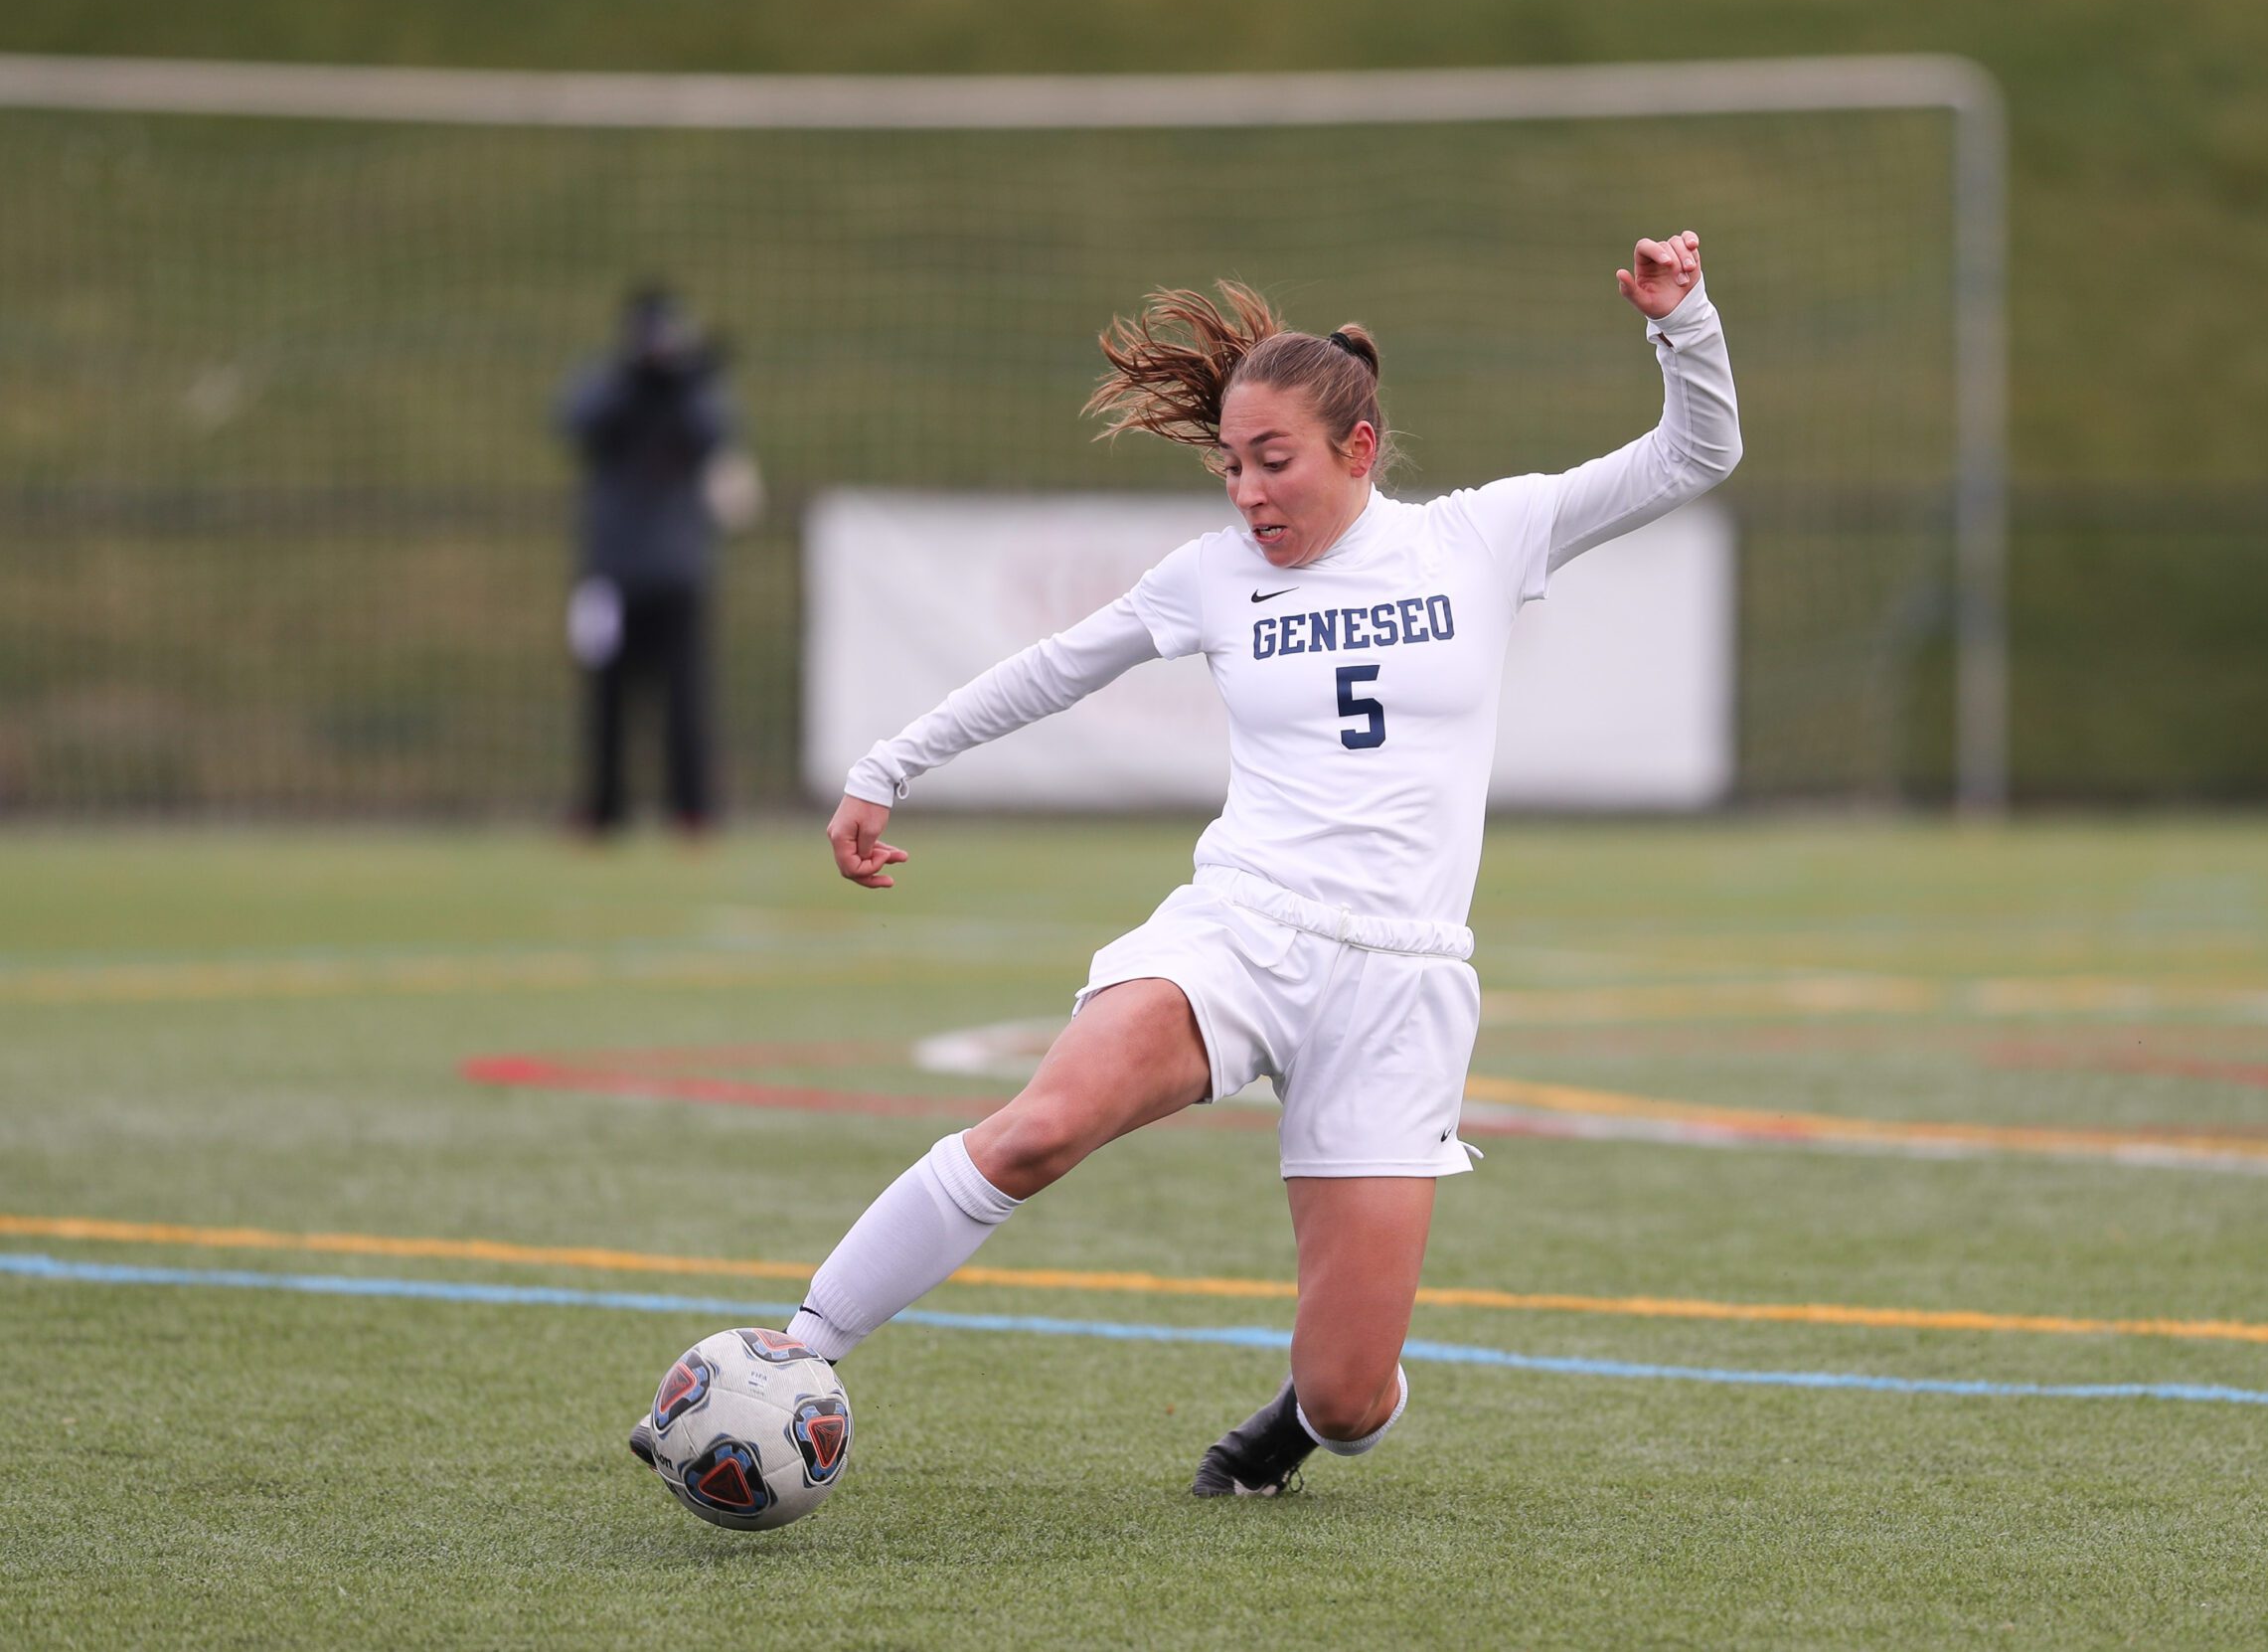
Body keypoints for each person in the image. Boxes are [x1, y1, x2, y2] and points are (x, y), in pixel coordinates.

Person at [638, 231, 1739, 1496]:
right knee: (1038, 1129)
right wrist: (890, 763)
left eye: (1274, 462)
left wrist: (1682, 320)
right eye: (1231, 466)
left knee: (1347, 1398)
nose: (1247, 493)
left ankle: (1300, 1419)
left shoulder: (1481, 538)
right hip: (1240, 931)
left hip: (1402, 986)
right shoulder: (1211, 577)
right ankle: (798, 1350)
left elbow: (1697, 453)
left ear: (1358, 452)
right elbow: (1058, 665)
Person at [558, 284, 755, 836]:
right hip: (612, 571)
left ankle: (692, 810)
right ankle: (602, 810)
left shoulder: (692, 390)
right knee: (606, 699)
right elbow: (573, 421)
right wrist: (633, 381)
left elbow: (717, 434)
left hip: (677, 572)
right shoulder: (609, 381)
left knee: (686, 700)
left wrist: (682, 384)